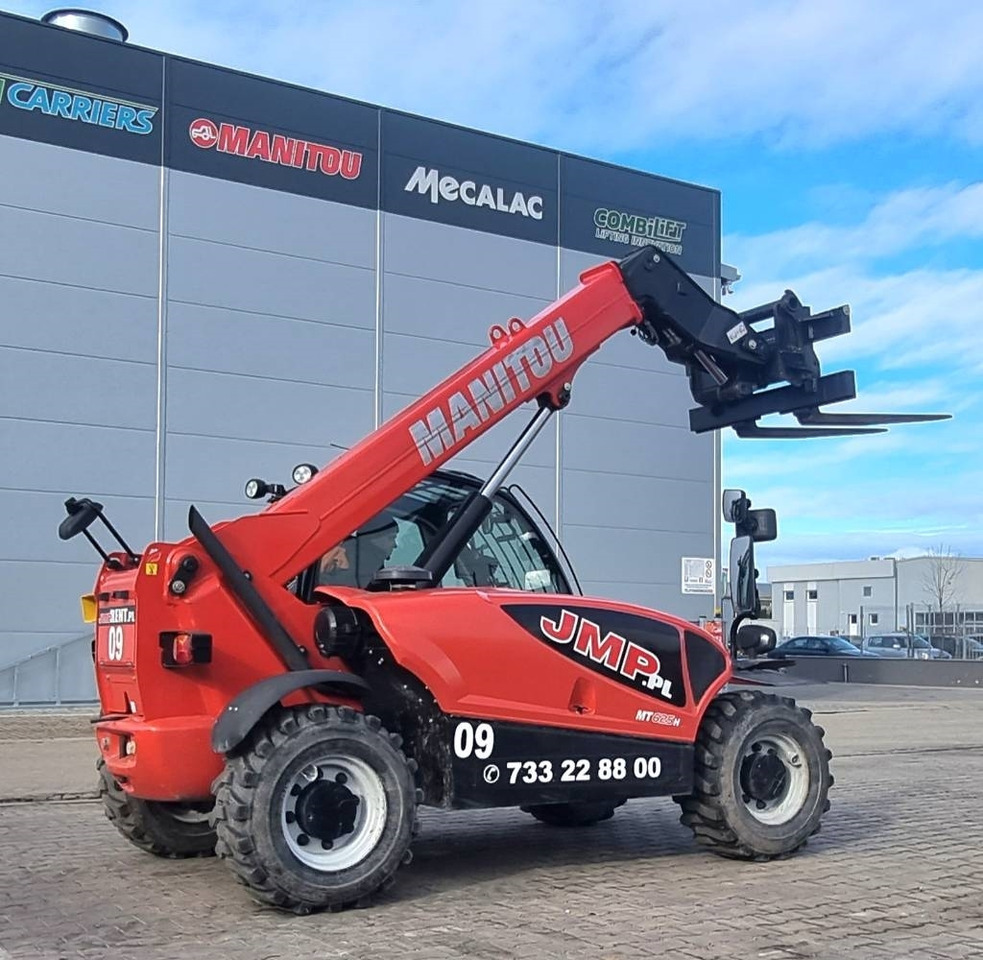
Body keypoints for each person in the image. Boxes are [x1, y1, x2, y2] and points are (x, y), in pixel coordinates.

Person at [318, 509, 400, 588]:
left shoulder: (356, 554)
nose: (395, 545)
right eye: (391, 538)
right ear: (374, 538)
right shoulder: (365, 564)